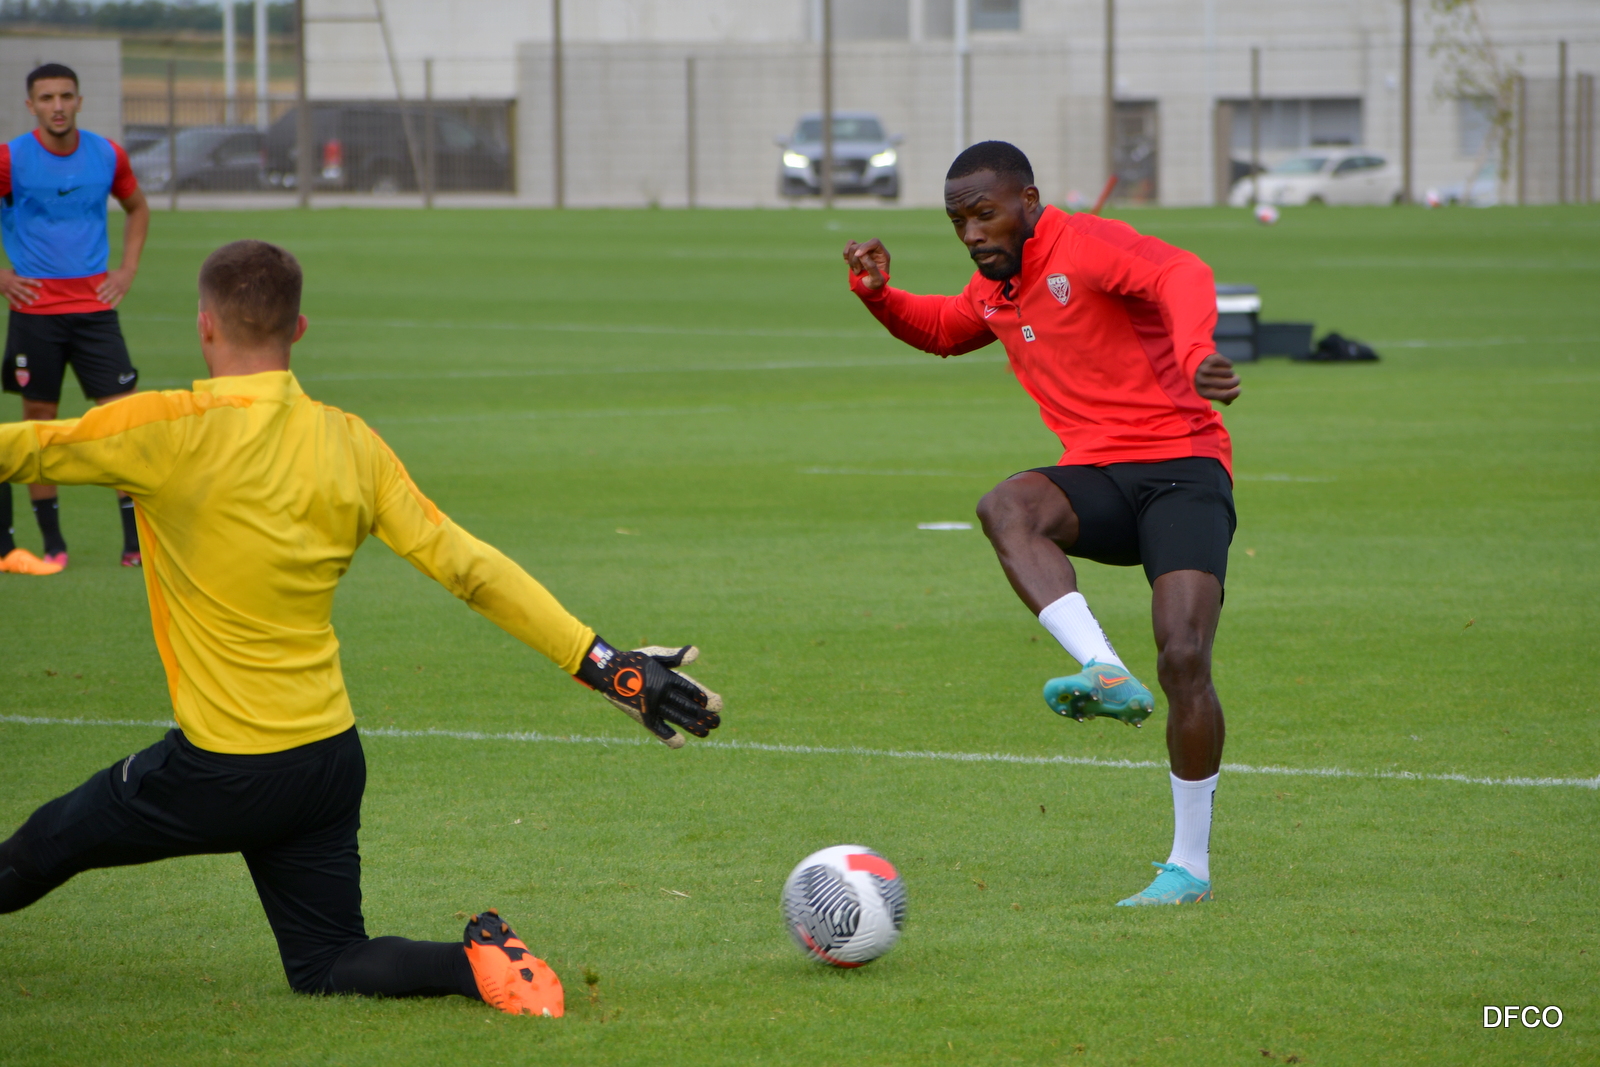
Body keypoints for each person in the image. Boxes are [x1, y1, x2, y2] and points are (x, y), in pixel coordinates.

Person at [0, 240, 723, 1015]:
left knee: (47, 842)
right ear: (298, 328)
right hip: (325, 764)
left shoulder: (161, 427)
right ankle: (476, 963)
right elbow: (469, 567)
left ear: (204, 325)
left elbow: (20, 450)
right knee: (327, 960)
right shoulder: (349, 442)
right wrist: (604, 662)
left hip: (222, 769)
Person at [842, 142, 1242, 906]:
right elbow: (943, 327)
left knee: (1185, 657)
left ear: (1027, 200)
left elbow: (1181, 271)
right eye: (958, 222)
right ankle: (1103, 667)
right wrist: (880, 295)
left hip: (1183, 467)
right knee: (1008, 505)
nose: (971, 234)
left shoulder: (1084, 243)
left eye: (983, 214)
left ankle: (1189, 866)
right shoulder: (997, 288)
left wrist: (1195, 352)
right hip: (1098, 478)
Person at [0, 62, 149, 576]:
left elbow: (137, 208)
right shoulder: (10, 159)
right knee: (40, 426)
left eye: (66, 96)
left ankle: (135, 544)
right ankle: (53, 544)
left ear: (80, 101)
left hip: (95, 314)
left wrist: (127, 270)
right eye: (46, 98)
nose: (57, 106)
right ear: (31, 106)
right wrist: (1, 277)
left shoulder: (107, 155)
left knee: (122, 425)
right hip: (34, 315)